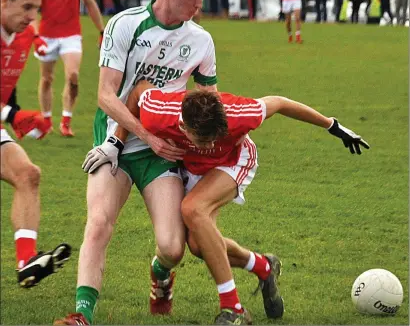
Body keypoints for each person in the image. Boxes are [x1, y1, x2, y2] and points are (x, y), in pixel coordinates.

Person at [83, 79, 370, 324]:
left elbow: (280, 102)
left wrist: (333, 125)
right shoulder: (161, 111)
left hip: (234, 162)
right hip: (193, 170)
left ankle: (233, 308)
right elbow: (136, 93)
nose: (210, 146)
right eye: (204, 141)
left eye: (215, 138)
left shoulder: (240, 112)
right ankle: (263, 266)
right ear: (184, 127)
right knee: (198, 246)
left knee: (192, 209)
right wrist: (117, 142)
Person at [53, 0, 218, 325]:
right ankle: (82, 316)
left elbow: (211, 102)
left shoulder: (202, 40)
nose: (199, 4)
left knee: (173, 248)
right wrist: (143, 135)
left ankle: (160, 275)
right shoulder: (125, 24)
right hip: (115, 141)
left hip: (162, 153)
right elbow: (106, 96)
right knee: (98, 222)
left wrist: (209, 145)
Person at [1, 0, 72, 288]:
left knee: (28, 174)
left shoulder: (25, 36)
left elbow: (6, 88)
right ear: (4, 0)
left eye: (37, 10)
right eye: (27, 8)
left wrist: (19, 116)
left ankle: (26, 262)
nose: (32, 17)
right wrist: (13, 115)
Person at [33, 0, 105, 137]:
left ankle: (66, 121)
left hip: (71, 34)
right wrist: (35, 36)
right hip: (47, 35)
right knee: (46, 78)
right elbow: (32, 8)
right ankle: (47, 121)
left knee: (73, 76)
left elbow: (90, 3)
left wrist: (102, 31)